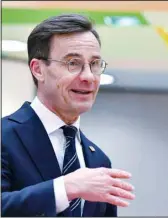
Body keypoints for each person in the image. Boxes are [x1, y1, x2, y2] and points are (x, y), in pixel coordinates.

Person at [1, 14, 135, 217]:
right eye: (73, 63)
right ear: (38, 69)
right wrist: (64, 188)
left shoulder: (98, 160)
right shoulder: (5, 136)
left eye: (95, 64)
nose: (89, 77)